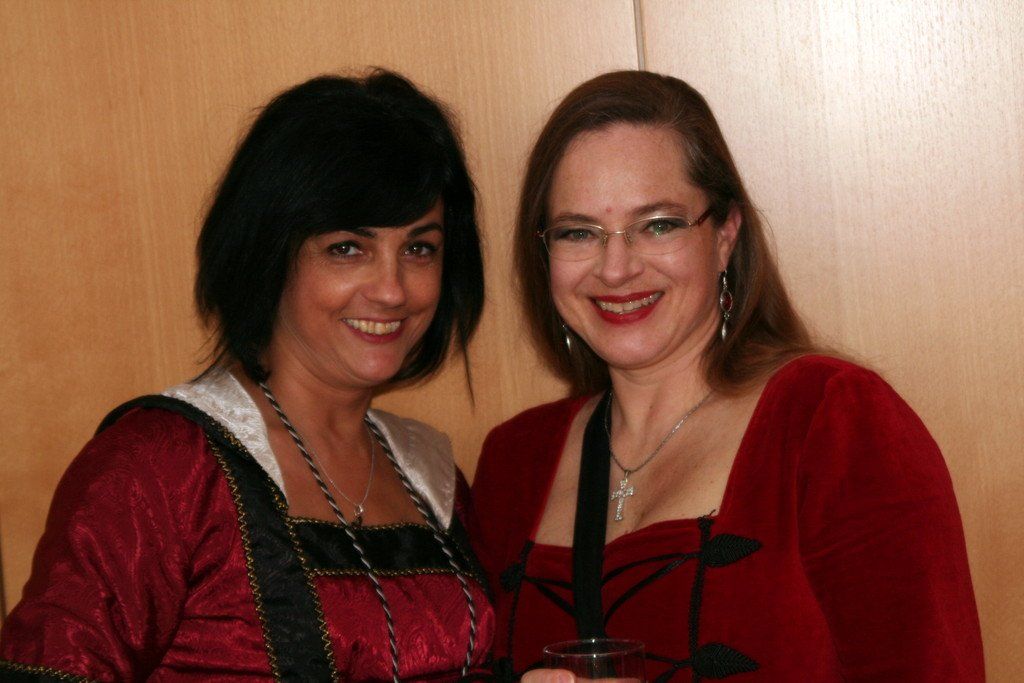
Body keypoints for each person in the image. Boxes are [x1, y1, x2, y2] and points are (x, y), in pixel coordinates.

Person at [470, 71, 984, 681]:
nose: (616, 268)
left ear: (725, 235)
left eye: (658, 224)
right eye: (579, 232)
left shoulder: (833, 421)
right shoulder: (514, 461)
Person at [0, 70, 494, 681]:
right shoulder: (161, 466)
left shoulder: (431, 474)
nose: (393, 290)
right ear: (268, 252)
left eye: (419, 248)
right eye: (347, 248)